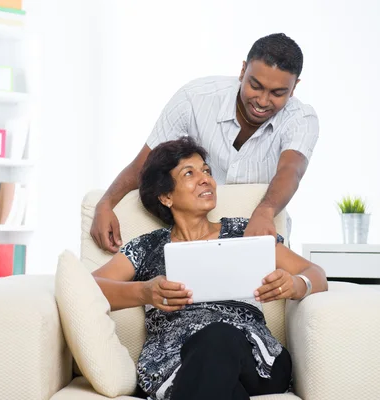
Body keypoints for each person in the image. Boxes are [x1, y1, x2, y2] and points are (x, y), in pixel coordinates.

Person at [92, 137, 327, 400]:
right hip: (175, 365)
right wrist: (143, 293)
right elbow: (87, 288)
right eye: (189, 173)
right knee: (222, 386)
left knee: (217, 338)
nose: (206, 179)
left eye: (206, 171)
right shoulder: (148, 247)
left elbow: (315, 273)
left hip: (257, 359)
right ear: (166, 196)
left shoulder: (245, 232)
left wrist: (297, 284)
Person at [91, 32, 319, 253]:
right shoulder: (195, 99)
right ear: (242, 71)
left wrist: (266, 210)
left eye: (277, 93)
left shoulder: (301, 119)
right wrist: (106, 203)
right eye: (255, 86)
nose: (262, 100)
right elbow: (146, 163)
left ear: (294, 87)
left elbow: (291, 170)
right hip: (190, 238)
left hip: (258, 236)